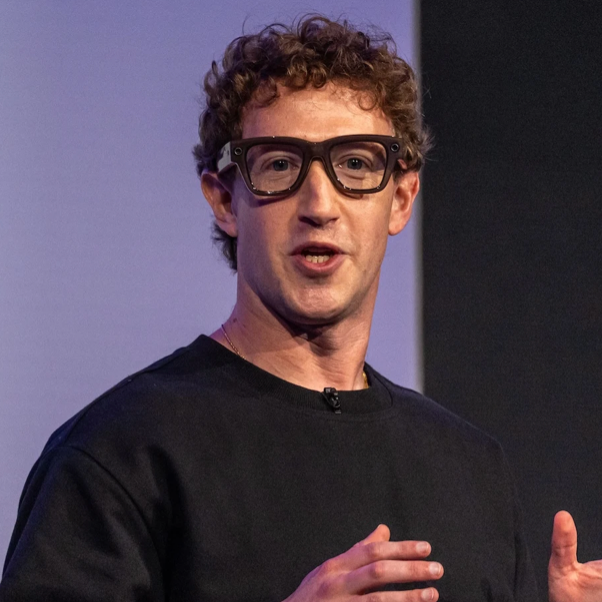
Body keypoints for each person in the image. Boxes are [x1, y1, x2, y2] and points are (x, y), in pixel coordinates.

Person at [0, 15, 600, 602]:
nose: (319, 204)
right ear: (224, 200)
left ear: (401, 197)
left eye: (356, 164)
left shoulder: (470, 469)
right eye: (280, 164)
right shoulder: (120, 453)